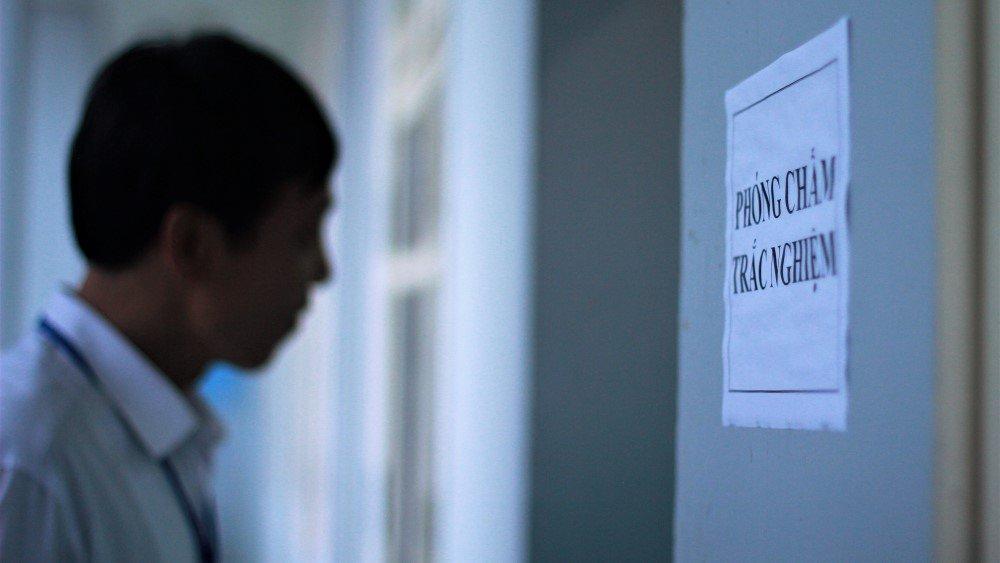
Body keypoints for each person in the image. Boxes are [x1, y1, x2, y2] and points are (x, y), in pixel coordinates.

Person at [0, 32, 337, 562]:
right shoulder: (30, 465)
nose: (322, 271)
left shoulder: (153, 430)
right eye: (302, 235)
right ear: (191, 244)